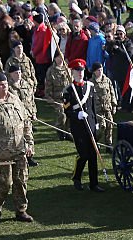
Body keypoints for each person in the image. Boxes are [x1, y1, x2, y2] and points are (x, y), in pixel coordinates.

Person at [0, 71, 35, 223]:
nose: (4, 87)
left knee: (21, 181)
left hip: (19, 150)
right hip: (2, 153)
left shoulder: (15, 99)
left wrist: (29, 143)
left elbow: (26, 124)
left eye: (5, 84)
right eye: (1, 85)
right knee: (5, 183)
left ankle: (21, 210)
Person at [62, 59, 102, 192]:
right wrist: (76, 115)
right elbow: (66, 110)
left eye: (81, 70)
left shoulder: (90, 86)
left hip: (90, 124)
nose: (80, 73)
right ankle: (77, 177)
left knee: (93, 155)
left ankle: (94, 183)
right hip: (78, 127)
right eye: (77, 71)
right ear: (72, 72)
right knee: (83, 154)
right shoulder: (68, 90)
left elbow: (92, 107)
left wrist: (95, 122)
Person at [89, 62, 117, 149]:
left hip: (107, 107)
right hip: (97, 109)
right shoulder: (91, 82)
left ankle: (108, 144)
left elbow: (112, 93)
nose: (100, 71)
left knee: (110, 125)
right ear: (94, 72)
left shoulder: (107, 80)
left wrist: (114, 105)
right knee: (102, 126)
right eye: (98, 70)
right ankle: (95, 140)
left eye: (101, 69)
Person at [45, 52, 71, 141]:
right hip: (57, 99)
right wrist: (49, 97)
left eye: (62, 57)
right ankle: (60, 130)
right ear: (55, 59)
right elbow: (48, 85)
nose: (60, 60)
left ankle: (67, 131)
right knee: (62, 114)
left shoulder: (67, 69)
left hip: (67, 99)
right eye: (58, 58)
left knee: (69, 113)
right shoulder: (51, 71)